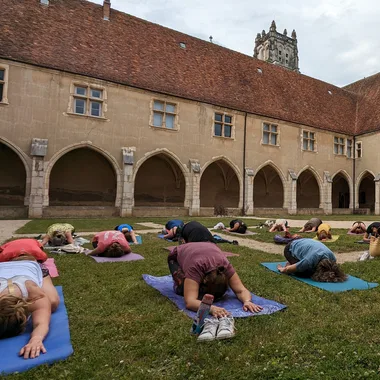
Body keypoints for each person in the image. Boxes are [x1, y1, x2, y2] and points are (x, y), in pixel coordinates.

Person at [167, 241, 263, 317]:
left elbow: (241, 290)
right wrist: (210, 308)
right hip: (177, 255)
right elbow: (190, 302)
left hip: (204, 249)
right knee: (181, 290)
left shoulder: (225, 266)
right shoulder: (195, 268)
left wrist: (247, 301)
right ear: (203, 281)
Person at [0, 258, 60, 359]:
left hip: (30, 264)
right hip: (4, 265)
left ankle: (42, 269)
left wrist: (36, 339)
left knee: (52, 302)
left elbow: (41, 323)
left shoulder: (35, 295)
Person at [277, 239, 347, 282]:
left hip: (305, 242)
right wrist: (283, 269)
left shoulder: (332, 259)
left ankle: (298, 259)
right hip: (289, 248)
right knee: (305, 273)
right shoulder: (309, 261)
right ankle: (293, 260)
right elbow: (287, 270)